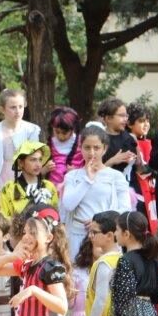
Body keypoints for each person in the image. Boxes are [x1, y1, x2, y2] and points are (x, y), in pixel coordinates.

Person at [59, 126, 131, 258]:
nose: (92, 153)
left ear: (104, 148)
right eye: (87, 147)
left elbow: (125, 209)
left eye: (96, 148)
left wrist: (99, 221)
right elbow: (68, 204)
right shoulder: (72, 176)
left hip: (106, 237)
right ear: (80, 148)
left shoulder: (115, 176)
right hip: (78, 236)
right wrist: (87, 179)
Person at [0, 89, 41, 192]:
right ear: (2, 109)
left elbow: (33, 157)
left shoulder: (31, 130)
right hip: (2, 176)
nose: (18, 111)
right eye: (13, 107)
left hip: (26, 175)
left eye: (20, 106)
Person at [0, 141, 59, 219]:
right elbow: (4, 220)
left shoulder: (49, 186)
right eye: (33, 160)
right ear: (21, 163)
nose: (38, 164)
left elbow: (55, 216)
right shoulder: (9, 188)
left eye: (40, 159)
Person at [98, 98, 138, 175]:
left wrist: (137, 153)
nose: (126, 119)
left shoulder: (130, 138)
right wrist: (112, 161)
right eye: (122, 116)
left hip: (129, 184)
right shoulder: (99, 139)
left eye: (126, 115)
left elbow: (138, 166)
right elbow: (94, 172)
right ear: (108, 118)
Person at [47, 107, 83, 188]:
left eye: (64, 133)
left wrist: (77, 172)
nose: (60, 136)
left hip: (75, 188)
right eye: (57, 132)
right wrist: (45, 169)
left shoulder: (82, 143)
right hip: (53, 190)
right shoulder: (49, 143)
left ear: (73, 129)